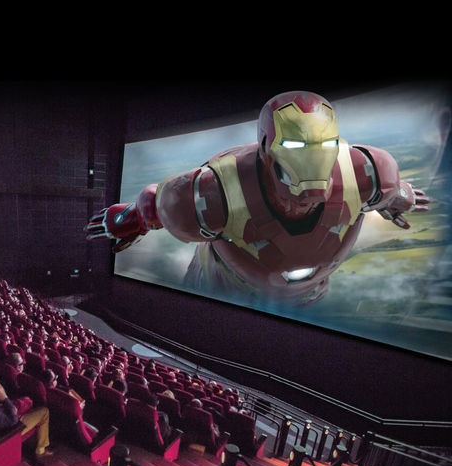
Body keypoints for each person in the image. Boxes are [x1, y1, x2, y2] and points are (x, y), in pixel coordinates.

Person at [86, 90, 432, 307]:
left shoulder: (368, 175)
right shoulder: (214, 193)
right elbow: (160, 204)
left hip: (305, 296)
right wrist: (137, 217)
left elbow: (389, 192)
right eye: (296, 148)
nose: (308, 196)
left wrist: (392, 197)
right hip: (222, 291)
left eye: (323, 148)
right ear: (267, 151)